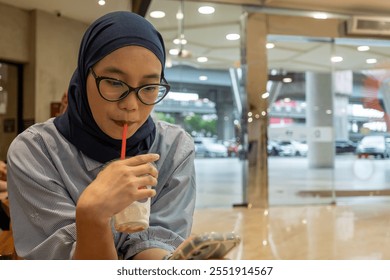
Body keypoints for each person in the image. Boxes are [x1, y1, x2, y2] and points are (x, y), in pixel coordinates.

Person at [7, 11, 196, 260]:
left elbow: (155, 244)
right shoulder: (35, 151)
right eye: (115, 82)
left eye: (149, 87)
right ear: (85, 74)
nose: (131, 104)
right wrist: (92, 215)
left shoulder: (173, 149)